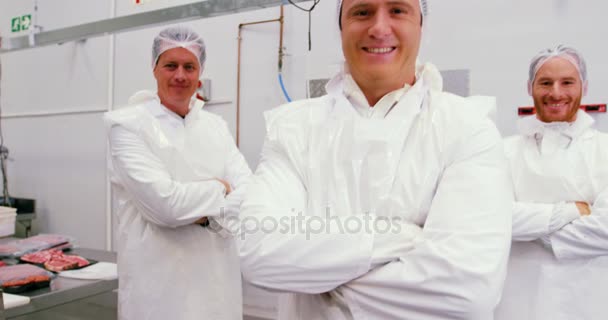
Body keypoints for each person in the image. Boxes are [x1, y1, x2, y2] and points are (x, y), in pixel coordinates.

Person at [238, 0, 512, 319]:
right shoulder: (293, 129)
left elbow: (467, 292)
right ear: (342, 28)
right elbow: (259, 254)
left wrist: (318, 278)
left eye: (397, 10)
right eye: (362, 12)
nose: (379, 28)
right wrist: (405, 237)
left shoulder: (467, 127)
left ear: (420, 25)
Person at [104, 26, 251, 320]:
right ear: (155, 68)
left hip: (217, 284)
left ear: (200, 72)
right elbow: (165, 206)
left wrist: (196, 204)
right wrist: (221, 190)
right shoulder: (127, 125)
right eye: (170, 65)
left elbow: (249, 192)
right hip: (158, 288)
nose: (180, 76)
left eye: (189, 66)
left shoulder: (215, 127)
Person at [495, 45, 608, 320]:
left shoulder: (604, 151)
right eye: (545, 82)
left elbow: (605, 230)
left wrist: (527, 230)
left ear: (584, 86)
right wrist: (571, 212)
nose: (556, 93)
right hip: (516, 302)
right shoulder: (502, 151)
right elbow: (492, 217)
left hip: (588, 299)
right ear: (530, 87)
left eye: (567, 82)